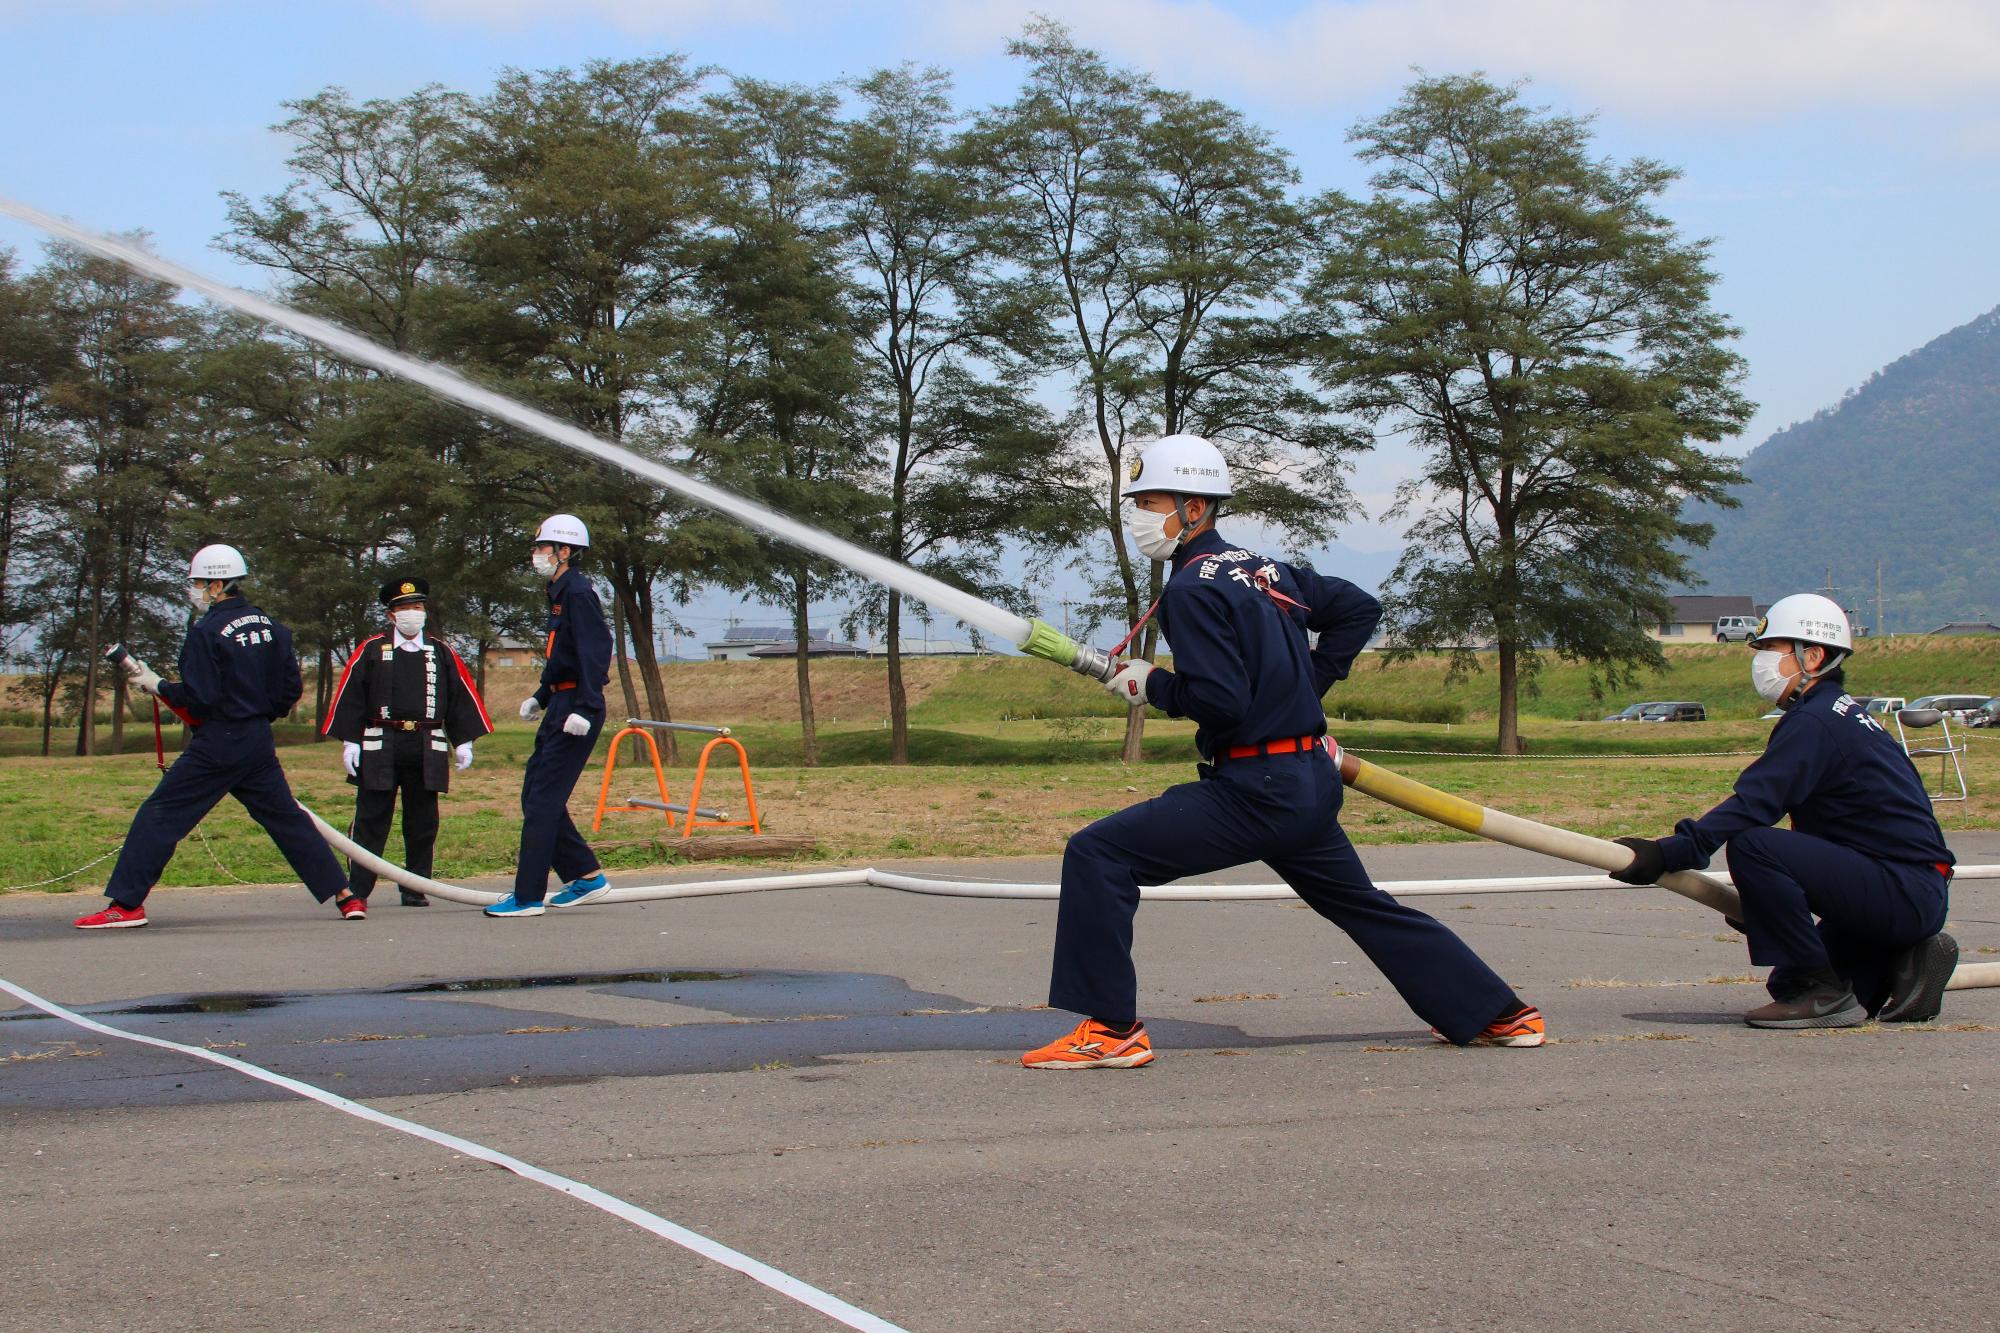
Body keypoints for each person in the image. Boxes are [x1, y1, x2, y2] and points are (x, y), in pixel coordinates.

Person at [1022, 435, 1544, 1068]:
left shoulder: (1192, 589)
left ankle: (1110, 1031)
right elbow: (1358, 608)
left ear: (1194, 508)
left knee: (1098, 854)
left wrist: (1150, 684)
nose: (1138, 514)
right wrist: (1305, 686)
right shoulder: (1262, 569)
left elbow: (1219, 702)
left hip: (1257, 789)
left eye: (1150, 499)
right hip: (1305, 779)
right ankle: (1499, 1015)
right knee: (1363, 906)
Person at [1609, 594, 1957, 1028]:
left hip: (1899, 889)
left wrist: (1670, 852)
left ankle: (1835, 985)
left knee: (1756, 846)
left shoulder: (1816, 722)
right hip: (1904, 890)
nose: (1759, 661)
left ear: (1812, 656)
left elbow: (1756, 804)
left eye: (1771, 649)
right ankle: (1905, 959)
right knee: (1789, 983)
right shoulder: (1846, 715)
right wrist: (1767, 906)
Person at [75, 544, 359, 929]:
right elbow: (289, 691)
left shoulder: (205, 632)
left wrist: (159, 685)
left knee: (159, 815)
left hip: (219, 742)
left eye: (197, 582)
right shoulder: (272, 627)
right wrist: (258, 713)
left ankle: (126, 906)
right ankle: (346, 896)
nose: (193, 589)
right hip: (258, 738)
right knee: (285, 818)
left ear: (217, 583)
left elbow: (201, 697)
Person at [322, 577, 494, 907]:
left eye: (417, 608)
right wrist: (350, 741)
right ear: (391, 615)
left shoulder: (441, 652)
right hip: (380, 742)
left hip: (427, 744)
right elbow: (351, 696)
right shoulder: (371, 650)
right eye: (404, 609)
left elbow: (460, 695)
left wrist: (464, 742)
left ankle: (415, 887)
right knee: (372, 819)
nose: (412, 614)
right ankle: (357, 889)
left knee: (423, 821)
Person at [484, 514, 613, 919]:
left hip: (577, 707)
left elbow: (595, 650)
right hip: (561, 702)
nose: (535, 554)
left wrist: (587, 709)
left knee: (542, 800)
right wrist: (541, 695)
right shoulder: (558, 590)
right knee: (535, 794)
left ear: (565, 552)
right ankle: (586, 876)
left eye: (542, 547)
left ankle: (527, 897)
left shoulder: (577, 591)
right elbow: (565, 653)